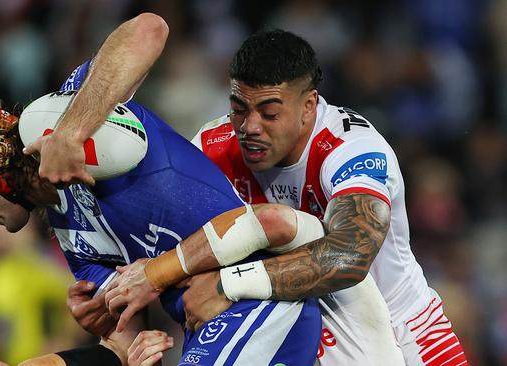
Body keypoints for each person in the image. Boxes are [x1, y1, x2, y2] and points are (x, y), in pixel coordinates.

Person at [0, 13, 321, 366]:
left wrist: (71, 131)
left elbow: (151, 28)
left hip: (261, 305)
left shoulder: (68, 113)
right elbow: (120, 346)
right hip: (215, 331)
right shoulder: (72, 238)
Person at [105, 29, 468, 366]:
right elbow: (159, 238)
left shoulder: (351, 149)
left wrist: (226, 286)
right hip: (295, 332)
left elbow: (349, 255)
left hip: (402, 329)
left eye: (270, 112)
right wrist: (108, 299)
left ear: (309, 105)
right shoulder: (213, 149)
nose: (250, 128)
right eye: (239, 108)